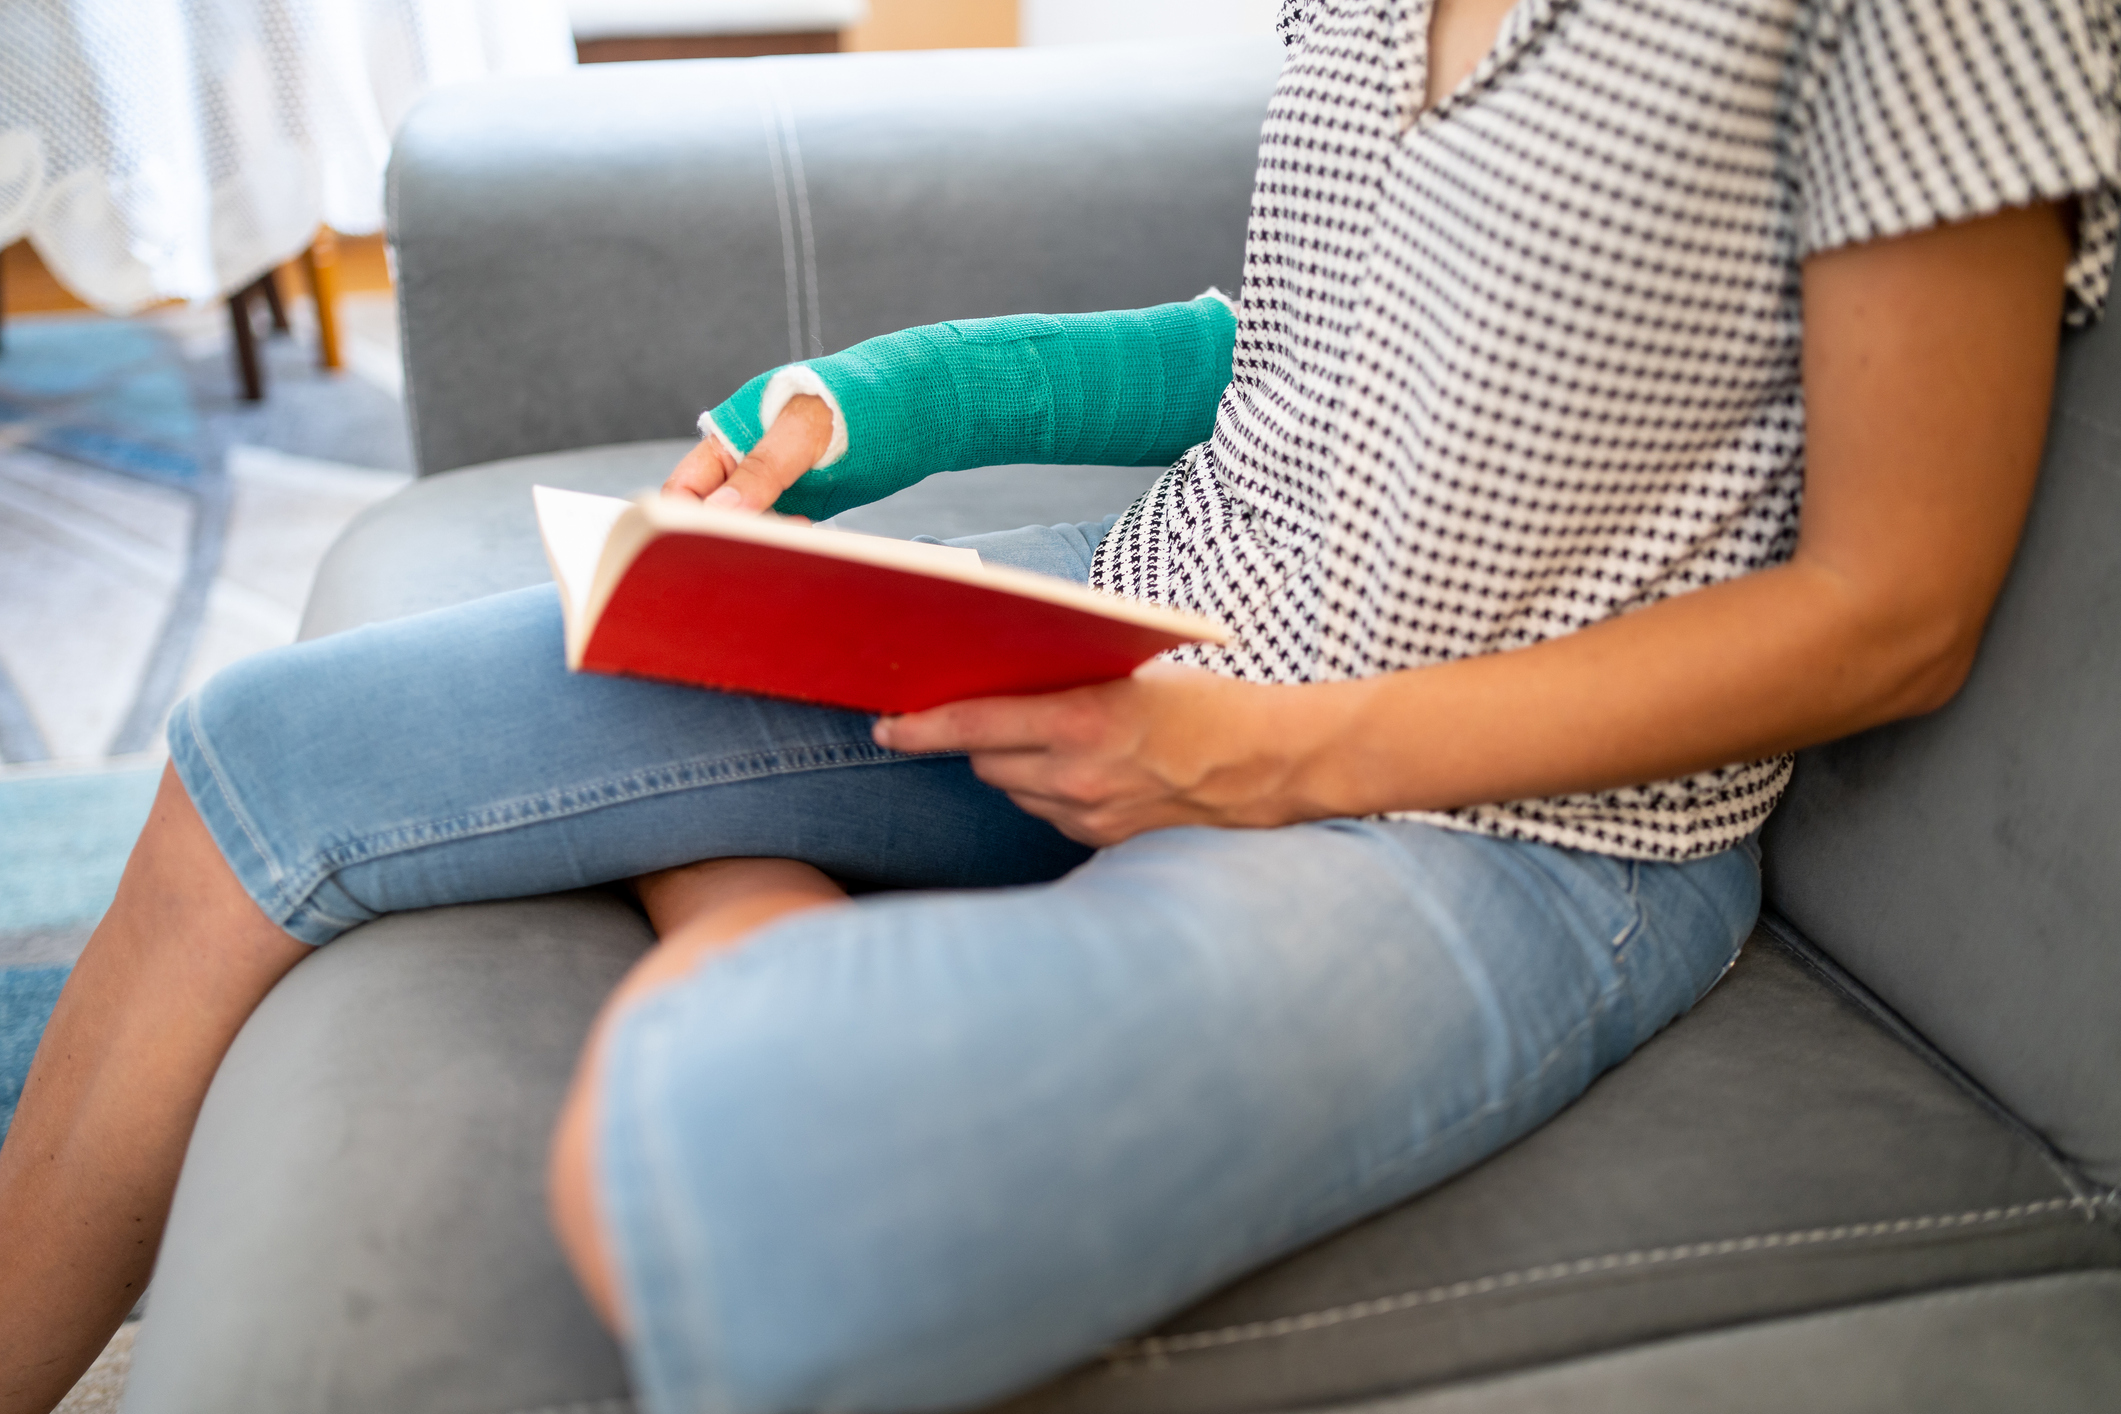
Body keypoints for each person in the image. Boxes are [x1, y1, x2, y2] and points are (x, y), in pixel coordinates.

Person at [2, 1, 2114, 1410]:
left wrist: (1259, 758)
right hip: (1133, 644)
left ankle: (724, 870)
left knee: (748, 1152)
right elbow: (1301, 339)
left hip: (1515, 828)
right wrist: (887, 401)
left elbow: (1891, 607)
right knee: (265, 754)